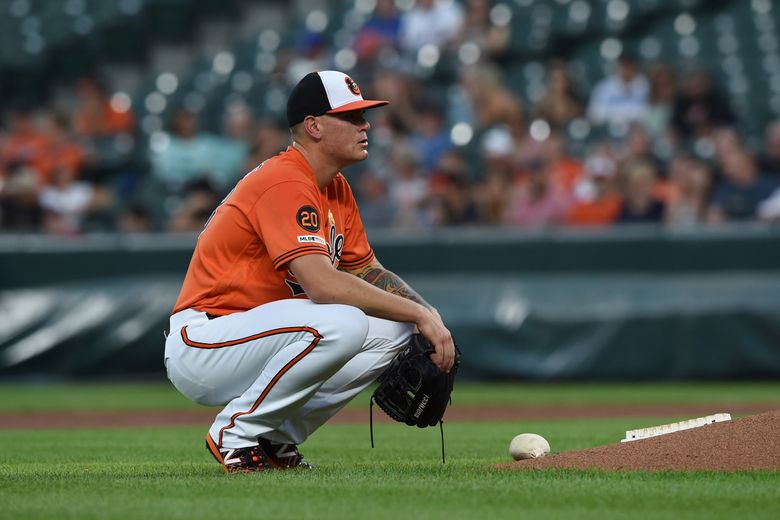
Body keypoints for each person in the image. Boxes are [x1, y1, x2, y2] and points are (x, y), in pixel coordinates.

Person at [163, 71, 456, 473]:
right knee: (345, 322)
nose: (365, 125)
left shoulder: (335, 188)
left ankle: (274, 437)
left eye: (363, 116)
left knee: (396, 329)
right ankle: (236, 432)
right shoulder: (284, 180)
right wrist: (422, 314)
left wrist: (429, 317)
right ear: (314, 126)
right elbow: (321, 285)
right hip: (207, 340)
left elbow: (366, 269)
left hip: (263, 336)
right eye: (352, 117)